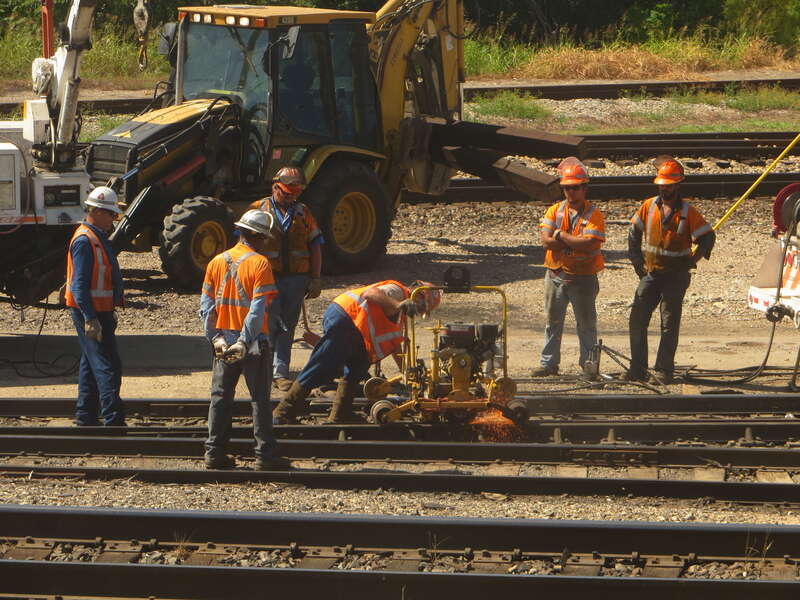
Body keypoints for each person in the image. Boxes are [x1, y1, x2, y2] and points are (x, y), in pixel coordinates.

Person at [272, 280, 441, 424]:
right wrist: (398, 304)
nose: (420, 312)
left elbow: (396, 345)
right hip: (345, 317)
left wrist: (406, 374)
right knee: (323, 365)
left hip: (355, 328)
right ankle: (283, 412)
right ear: (419, 296)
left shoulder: (402, 313)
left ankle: (340, 414)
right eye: (423, 307)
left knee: (359, 365)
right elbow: (370, 294)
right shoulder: (397, 291)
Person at [199, 209, 290, 470]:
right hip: (252, 344)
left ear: (241, 232)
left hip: (223, 343)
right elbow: (257, 309)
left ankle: (214, 453)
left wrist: (215, 337)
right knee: (260, 399)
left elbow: (206, 305)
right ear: (259, 237)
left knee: (220, 397)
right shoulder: (260, 264)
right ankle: (265, 455)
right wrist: (244, 341)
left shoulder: (216, 261)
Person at [626, 156, 715, 383]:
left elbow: (708, 237)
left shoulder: (688, 212)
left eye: (668, 186)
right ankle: (637, 369)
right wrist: (637, 262)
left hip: (675, 277)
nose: (664, 189)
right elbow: (633, 233)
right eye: (661, 186)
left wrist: (693, 259)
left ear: (677, 185)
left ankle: (664, 370)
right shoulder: (648, 206)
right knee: (637, 319)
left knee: (668, 325)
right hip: (652, 274)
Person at [249, 166, 323, 392]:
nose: (290, 197)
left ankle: (280, 372)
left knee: (287, 326)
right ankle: (264, 369)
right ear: (275, 187)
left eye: (295, 193)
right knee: (267, 324)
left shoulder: (303, 213)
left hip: (297, 279)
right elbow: (243, 245)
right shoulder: (258, 209)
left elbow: (316, 246)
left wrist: (316, 278)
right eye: (286, 192)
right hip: (266, 278)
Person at [533, 157, 606, 377]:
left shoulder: (594, 215)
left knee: (586, 325)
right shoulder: (554, 210)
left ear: (584, 188)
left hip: (583, 277)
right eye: (566, 188)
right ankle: (548, 364)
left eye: (574, 188)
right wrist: (572, 240)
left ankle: (588, 365)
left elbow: (589, 243)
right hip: (555, 274)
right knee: (552, 322)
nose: (570, 192)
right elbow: (546, 241)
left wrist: (561, 235)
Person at [64, 186, 126, 427]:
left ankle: (85, 415)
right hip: (90, 313)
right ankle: (113, 419)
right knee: (107, 364)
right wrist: (90, 318)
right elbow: (79, 286)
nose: (113, 219)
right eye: (111, 214)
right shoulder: (84, 241)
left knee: (90, 362)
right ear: (97, 211)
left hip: (100, 311)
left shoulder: (97, 238)